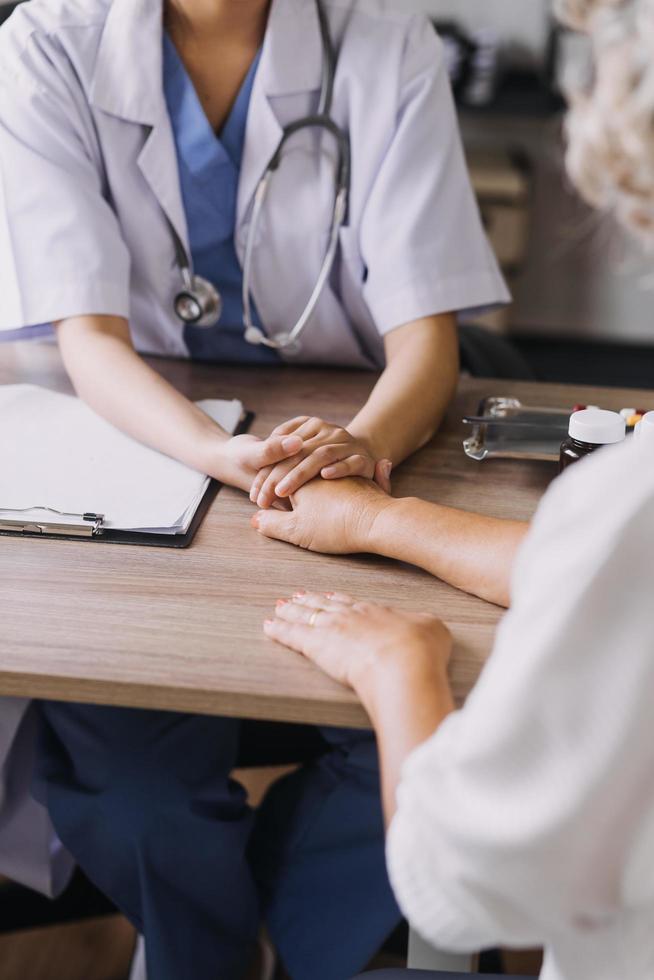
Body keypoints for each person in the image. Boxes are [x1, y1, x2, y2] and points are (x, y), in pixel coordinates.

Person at [0, 0, 508, 978]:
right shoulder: (47, 42)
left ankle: (307, 942)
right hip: (142, 445)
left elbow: (426, 340)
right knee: (129, 786)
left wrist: (361, 444)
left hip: (355, 444)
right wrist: (213, 449)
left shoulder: (382, 34)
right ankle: (208, 952)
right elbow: (88, 337)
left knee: (424, 730)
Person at [257, 2, 654, 978]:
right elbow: (594, 571)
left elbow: (458, 881)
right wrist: (383, 520)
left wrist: (399, 664)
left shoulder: (628, 506)